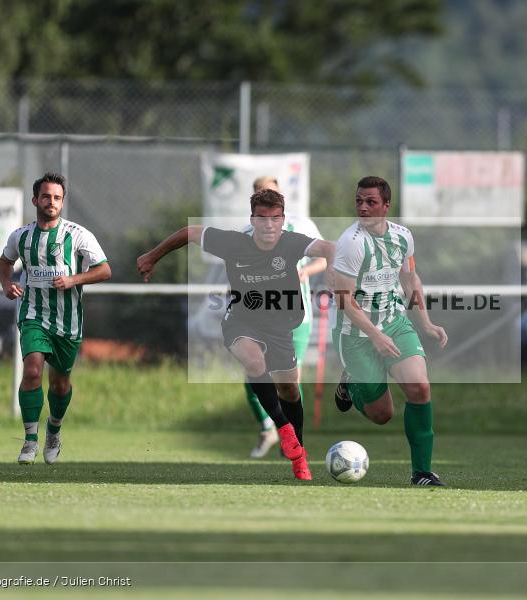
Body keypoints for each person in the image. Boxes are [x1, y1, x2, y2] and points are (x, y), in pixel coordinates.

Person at [136, 188, 335, 480]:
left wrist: (334, 273)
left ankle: (299, 454)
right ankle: (281, 427)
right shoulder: (233, 243)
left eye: (275, 219)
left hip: (281, 325)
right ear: (252, 220)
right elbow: (190, 232)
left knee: (290, 388)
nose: (269, 225)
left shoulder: (293, 243)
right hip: (242, 321)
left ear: (283, 220)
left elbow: (329, 249)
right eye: (262, 218)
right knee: (254, 363)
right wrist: (152, 256)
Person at [332, 176, 449, 486]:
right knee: (382, 414)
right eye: (359, 201)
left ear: (386, 205)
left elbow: (410, 278)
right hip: (356, 335)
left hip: (395, 323)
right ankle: (350, 384)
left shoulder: (402, 237)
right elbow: (343, 299)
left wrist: (425, 322)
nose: (363, 207)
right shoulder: (350, 244)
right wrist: (374, 334)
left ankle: (421, 472)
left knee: (420, 388)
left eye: (371, 202)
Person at [0, 172, 112, 465]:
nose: (52, 202)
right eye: (46, 196)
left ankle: (54, 430)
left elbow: (104, 270)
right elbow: (5, 261)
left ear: (62, 202)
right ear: (36, 200)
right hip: (33, 314)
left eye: (57, 197)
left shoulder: (77, 234)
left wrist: (74, 279)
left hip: (68, 321)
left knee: (60, 384)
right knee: (33, 371)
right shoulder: (21, 236)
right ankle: (29, 441)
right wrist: (6, 283)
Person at [242, 176, 327, 458]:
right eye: (260, 194)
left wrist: (306, 272)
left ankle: (292, 438)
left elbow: (324, 257)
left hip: (295, 316)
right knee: (253, 374)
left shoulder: (301, 224)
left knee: (290, 380)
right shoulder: (246, 232)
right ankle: (270, 427)